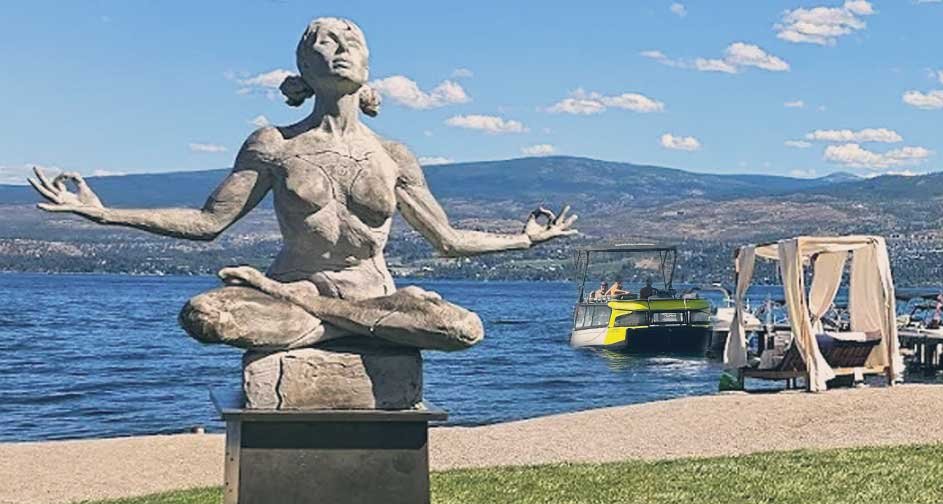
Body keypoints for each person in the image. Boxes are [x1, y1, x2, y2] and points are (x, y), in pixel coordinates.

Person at [29, 17, 578, 353]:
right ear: (302, 65)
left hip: (365, 293)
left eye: (350, 40)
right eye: (322, 41)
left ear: (367, 66)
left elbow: (450, 241)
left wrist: (525, 241)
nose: (337, 47)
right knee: (206, 314)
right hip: (313, 291)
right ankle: (345, 321)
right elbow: (207, 224)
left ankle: (319, 316)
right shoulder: (274, 145)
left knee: (463, 328)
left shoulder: (393, 155)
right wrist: (104, 214)